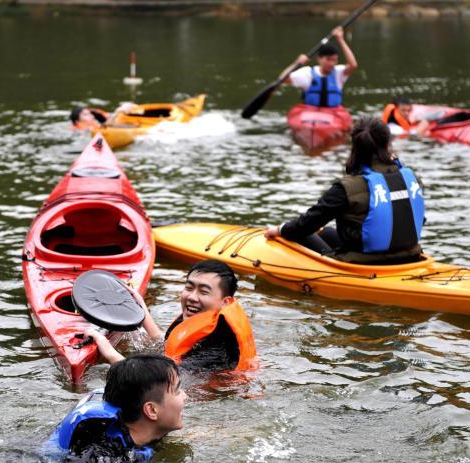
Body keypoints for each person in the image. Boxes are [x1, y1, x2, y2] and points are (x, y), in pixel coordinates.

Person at [265, 117, 425, 265]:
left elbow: (306, 225)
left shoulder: (346, 188)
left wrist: (280, 230)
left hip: (367, 263)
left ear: (355, 147)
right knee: (327, 233)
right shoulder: (411, 179)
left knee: (300, 235)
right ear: (387, 144)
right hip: (410, 256)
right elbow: (419, 219)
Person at [87, 260, 256, 371]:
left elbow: (154, 385)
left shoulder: (217, 348)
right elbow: (164, 344)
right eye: (189, 288)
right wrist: (140, 307)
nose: (192, 297)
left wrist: (108, 351)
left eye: (203, 292)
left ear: (225, 302)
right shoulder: (202, 321)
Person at [46, 354, 185, 463]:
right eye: (178, 391)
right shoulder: (103, 458)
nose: (185, 396)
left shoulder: (146, 424)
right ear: (152, 410)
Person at [279, 26, 358, 108]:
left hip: (333, 114)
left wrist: (340, 39)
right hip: (311, 113)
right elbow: (282, 79)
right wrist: (296, 63)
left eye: (334, 60)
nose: (332, 63)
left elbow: (353, 65)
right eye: (328, 59)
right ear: (319, 59)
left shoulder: (339, 72)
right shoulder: (307, 73)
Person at [69, 102, 137, 130]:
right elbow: (107, 125)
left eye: (89, 113)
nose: (90, 116)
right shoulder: (78, 130)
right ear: (77, 121)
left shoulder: (95, 126)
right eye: (85, 115)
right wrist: (117, 112)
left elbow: (107, 125)